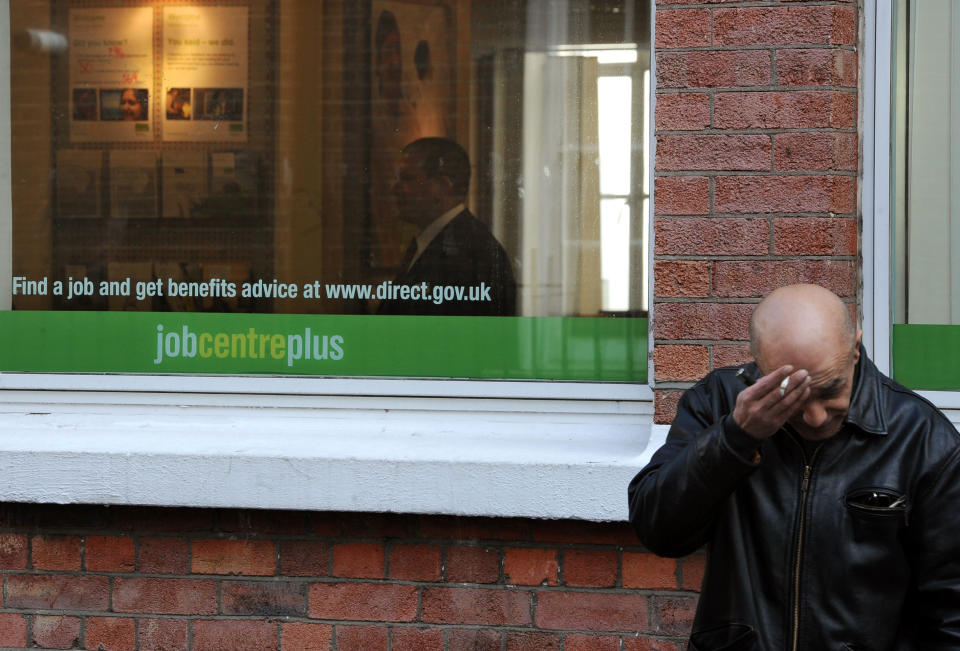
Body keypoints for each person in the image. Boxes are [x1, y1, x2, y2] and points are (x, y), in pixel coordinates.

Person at [628, 284, 960, 650]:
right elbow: (658, 529)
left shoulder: (921, 438)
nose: (815, 417)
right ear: (759, 364)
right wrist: (735, 439)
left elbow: (951, 611)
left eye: (830, 390)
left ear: (855, 349)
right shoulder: (718, 404)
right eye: (793, 395)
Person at [377, 137, 516, 316]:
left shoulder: (469, 252)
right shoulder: (434, 242)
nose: (394, 189)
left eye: (407, 179)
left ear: (442, 186)